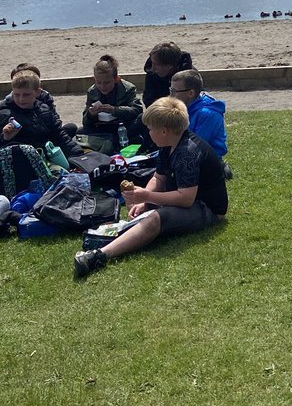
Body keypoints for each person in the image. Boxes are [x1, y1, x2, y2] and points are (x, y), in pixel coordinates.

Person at [74, 96, 228, 277]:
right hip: (189, 200)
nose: (148, 133)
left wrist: (147, 197)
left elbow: (186, 198)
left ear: (164, 131)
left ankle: (100, 255)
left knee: (156, 219)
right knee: (145, 208)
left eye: (150, 129)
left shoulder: (188, 152)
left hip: (207, 208)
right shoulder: (169, 144)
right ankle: (118, 237)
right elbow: (159, 178)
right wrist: (144, 200)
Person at [0, 69, 83, 160]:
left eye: (26, 95)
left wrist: (79, 155)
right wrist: (5, 138)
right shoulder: (4, 114)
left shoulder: (44, 110)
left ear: (38, 92)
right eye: (16, 95)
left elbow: (59, 136)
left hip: (45, 156)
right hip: (19, 160)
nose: (21, 99)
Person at [82, 55, 143, 151]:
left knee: (141, 120)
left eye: (107, 83)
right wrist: (91, 114)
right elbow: (86, 122)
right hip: (103, 129)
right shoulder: (92, 91)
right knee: (80, 131)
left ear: (116, 79)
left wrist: (114, 110)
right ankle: (110, 143)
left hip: (124, 127)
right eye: (99, 82)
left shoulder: (128, 89)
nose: (102, 86)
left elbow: (137, 110)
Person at [169, 68, 228, 160]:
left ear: (191, 93)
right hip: (185, 155)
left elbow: (196, 145)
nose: (171, 96)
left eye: (174, 91)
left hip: (205, 162)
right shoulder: (185, 107)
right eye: (171, 90)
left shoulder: (208, 114)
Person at [6, 62, 78, 137]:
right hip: (22, 135)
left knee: (70, 128)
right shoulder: (8, 102)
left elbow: (54, 118)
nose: (21, 99)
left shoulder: (45, 96)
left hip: (46, 131)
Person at [142, 41, 194, 108]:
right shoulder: (152, 73)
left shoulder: (190, 77)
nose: (153, 68)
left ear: (169, 66)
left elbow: (195, 100)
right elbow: (148, 101)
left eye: (156, 64)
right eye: (152, 62)